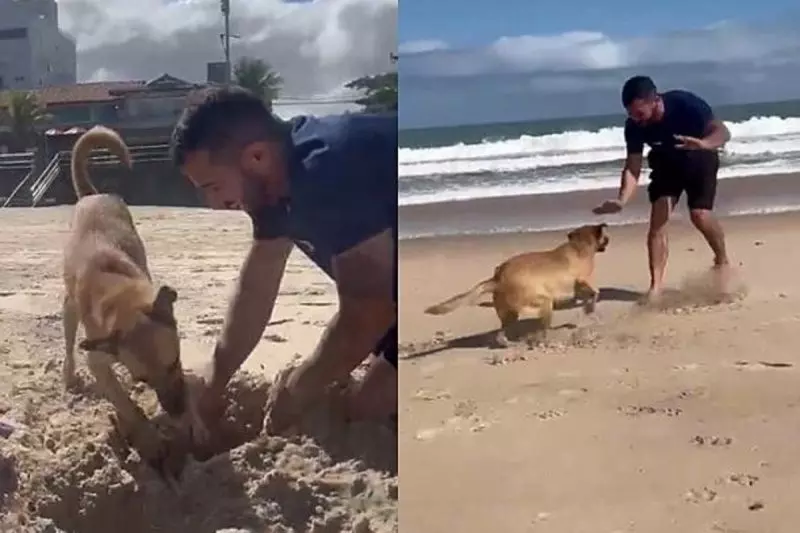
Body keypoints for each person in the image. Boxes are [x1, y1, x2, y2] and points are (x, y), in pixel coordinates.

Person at [169, 86, 397, 434]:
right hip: (394, 295)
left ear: (257, 157)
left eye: (214, 186)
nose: (213, 204)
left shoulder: (326, 168)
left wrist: (298, 388)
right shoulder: (271, 190)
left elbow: (368, 311)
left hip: (420, 288)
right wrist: (217, 378)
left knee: (367, 406)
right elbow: (256, 287)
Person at [593, 75, 732, 302]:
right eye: (631, 114)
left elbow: (723, 132)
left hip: (699, 157)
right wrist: (621, 200)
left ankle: (722, 258)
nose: (636, 120)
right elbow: (633, 166)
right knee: (657, 222)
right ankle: (656, 287)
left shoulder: (685, 103)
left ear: (655, 100)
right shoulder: (634, 126)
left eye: (640, 114)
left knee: (699, 215)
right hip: (666, 163)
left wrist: (704, 144)